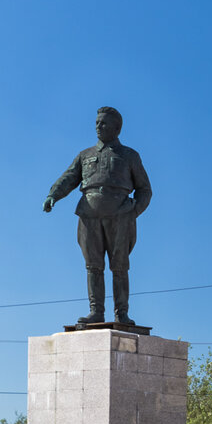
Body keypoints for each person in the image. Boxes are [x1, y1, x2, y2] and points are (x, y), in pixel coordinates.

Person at [43, 107, 152, 326]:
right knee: (93, 266)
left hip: (120, 214)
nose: (98, 127)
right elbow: (69, 178)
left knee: (119, 266)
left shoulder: (129, 155)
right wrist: (53, 195)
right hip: (89, 213)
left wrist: (133, 211)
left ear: (117, 128)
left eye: (103, 123)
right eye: (97, 123)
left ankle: (121, 313)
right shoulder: (85, 155)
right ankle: (96, 311)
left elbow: (145, 189)